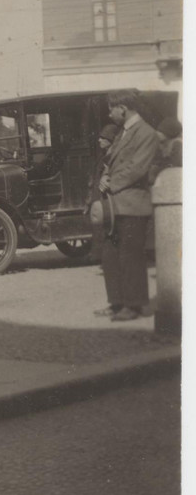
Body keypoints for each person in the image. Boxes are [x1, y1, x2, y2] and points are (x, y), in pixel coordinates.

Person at [95, 90, 160, 322]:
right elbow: (110, 160)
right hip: (116, 204)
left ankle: (134, 305)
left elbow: (137, 168)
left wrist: (112, 182)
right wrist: (104, 176)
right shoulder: (125, 132)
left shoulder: (146, 133)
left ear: (123, 107)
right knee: (111, 255)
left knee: (131, 256)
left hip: (133, 204)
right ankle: (117, 303)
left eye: (111, 108)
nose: (109, 113)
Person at [86, 123, 121, 264]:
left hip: (107, 198)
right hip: (99, 196)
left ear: (111, 140)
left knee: (108, 225)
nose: (99, 140)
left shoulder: (111, 156)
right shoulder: (104, 155)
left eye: (103, 138)